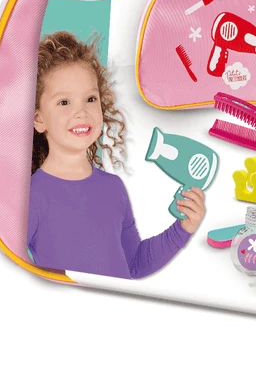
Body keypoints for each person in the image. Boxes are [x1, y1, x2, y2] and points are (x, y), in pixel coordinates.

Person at [28, 31, 205, 278]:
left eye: (90, 99)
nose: (81, 112)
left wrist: (182, 228)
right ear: (38, 119)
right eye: (64, 102)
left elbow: (134, 264)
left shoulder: (113, 188)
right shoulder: (31, 197)